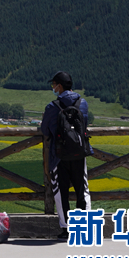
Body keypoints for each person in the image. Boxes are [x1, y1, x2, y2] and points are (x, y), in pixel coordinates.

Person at [41, 70, 91, 237]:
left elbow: (45, 130)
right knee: (82, 191)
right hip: (79, 152)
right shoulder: (83, 103)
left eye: (53, 85)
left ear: (59, 86)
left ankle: (66, 228)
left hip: (59, 155)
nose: (53, 87)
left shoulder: (52, 107)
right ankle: (83, 227)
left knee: (61, 192)